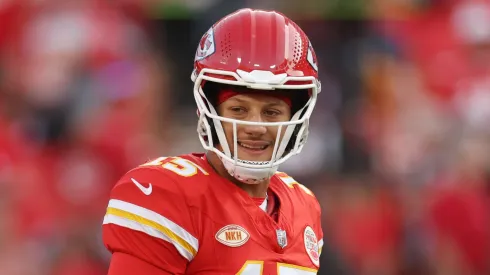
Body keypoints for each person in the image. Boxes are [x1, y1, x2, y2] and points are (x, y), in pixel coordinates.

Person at [102, 8, 324, 274]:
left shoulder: (304, 205)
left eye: (272, 112)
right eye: (238, 109)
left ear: (296, 117)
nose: (255, 127)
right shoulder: (163, 194)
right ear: (211, 110)